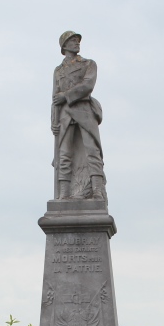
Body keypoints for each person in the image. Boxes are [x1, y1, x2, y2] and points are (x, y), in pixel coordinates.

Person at [51, 31, 107, 202]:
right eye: (73, 41)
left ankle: (97, 191)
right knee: (64, 155)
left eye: (77, 41)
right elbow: (54, 97)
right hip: (65, 116)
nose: (77, 43)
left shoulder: (88, 64)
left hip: (84, 111)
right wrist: (54, 121)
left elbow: (87, 85)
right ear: (64, 46)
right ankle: (64, 193)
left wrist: (66, 96)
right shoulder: (58, 71)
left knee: (92, 151)